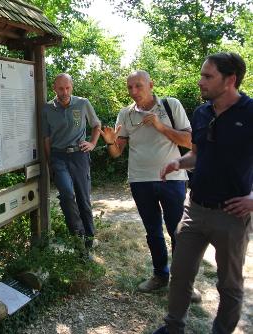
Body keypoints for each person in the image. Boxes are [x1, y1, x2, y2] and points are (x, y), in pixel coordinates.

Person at [154, 53, 253, 334]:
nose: (200, 81)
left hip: (232, 216)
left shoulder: (250, 113)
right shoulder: (202, 112)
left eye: (208, 76)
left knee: (229, 285)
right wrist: (178, 162)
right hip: (194, 209)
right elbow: (198, 155)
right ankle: (173, 328)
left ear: (230, 80)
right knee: (181, 274)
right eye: (201, 75)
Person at [100, 70, 197, 295]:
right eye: (130, 87)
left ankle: (183, 282)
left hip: (172, 179)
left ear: (151, 84)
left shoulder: (170, 105)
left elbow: (190, 141)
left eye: (139, 86)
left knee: (178, 231)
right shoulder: (125, 114)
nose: (134, 92)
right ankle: (159, 275)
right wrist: (109, 142)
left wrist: (160, 126)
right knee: (152, 230)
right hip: (140, 180)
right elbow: (116, 153)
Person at [42, 73, 101, 253]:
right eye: (61, 88)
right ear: (55, 89)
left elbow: (96, 125)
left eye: (67, 88)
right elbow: (46, 138)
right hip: (58, 157)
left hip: (79, 156)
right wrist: (49, 162)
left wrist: (92, 143)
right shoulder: (47, 108)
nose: (64, 92)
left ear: (72, 87)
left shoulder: (82, 103)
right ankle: (78, 236)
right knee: (67, 195)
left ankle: (89, 239)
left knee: (83, 198)